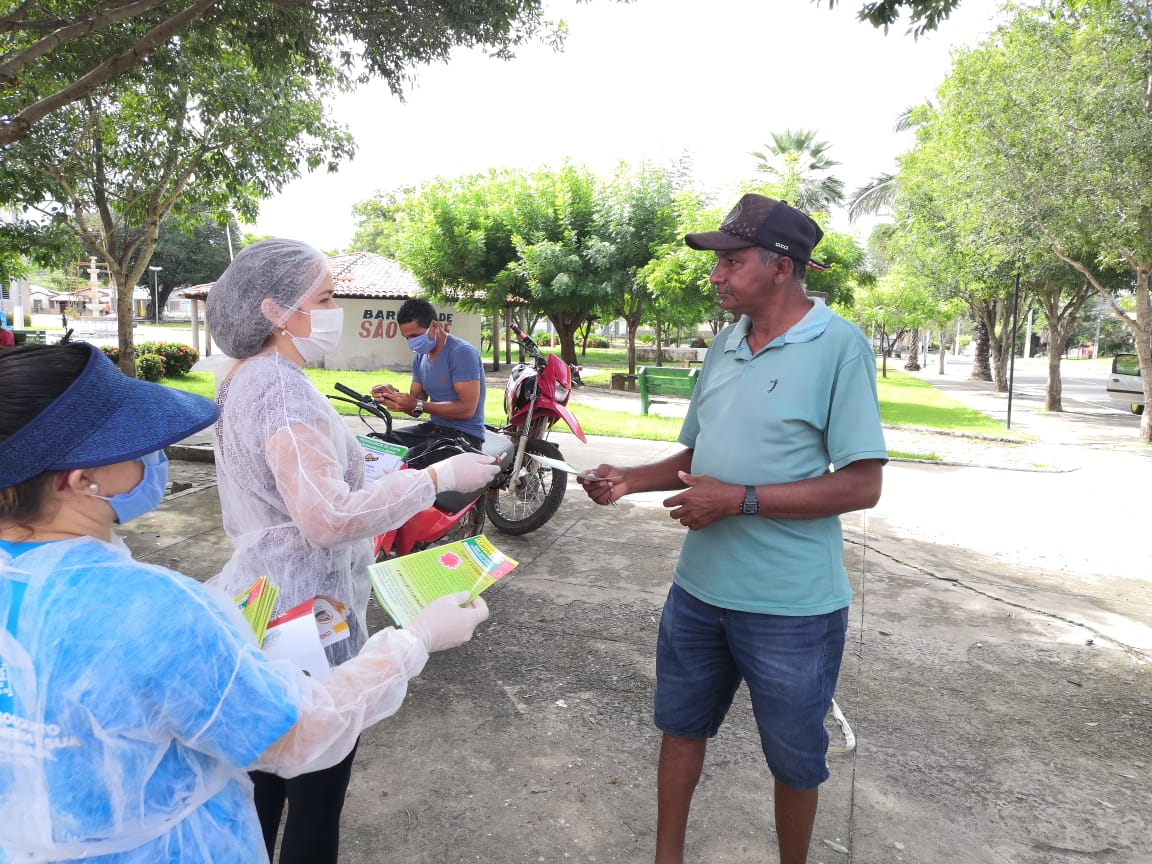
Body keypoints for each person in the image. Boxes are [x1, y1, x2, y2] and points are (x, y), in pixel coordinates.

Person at [0, 342, 491, 863]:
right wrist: (415, 640)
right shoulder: (156, 611)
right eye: (136, 444)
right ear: (81, 480)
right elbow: (297, 733)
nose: (154, 454)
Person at [579, 194, 888, 864]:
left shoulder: (839, 346)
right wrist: (630, 479)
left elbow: (863, 483)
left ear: (782, 267)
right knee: (680, 730)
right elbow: (698, 457)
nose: (716, 275)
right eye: (717, 261)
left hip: (792, 608)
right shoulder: (725, 344)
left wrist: (741, 500)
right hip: (698, 594)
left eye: (732, 259)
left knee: (796, 760)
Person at [202, 240, 501, 864]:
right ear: (275, 310)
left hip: (265, 601)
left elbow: (297, 486)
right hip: (307, 621)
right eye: (325, 298)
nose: (335, 310)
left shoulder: (245, 380)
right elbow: (326, 516)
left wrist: (364, 465)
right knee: (314, 789)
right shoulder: (282, 392)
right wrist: (437, 478)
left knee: (260, 786)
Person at [371, 297, 488, 452]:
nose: (411, 342)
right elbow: (416, 407)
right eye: (407, 338)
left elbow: (467, 410)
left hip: (465, 436)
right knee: (379, 447)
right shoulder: (420, 356)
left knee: (408, 462)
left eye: (415, 336)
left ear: (434, 326)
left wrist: (417, 404)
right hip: (434, 428)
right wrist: (394, 396)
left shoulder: (461, 353)